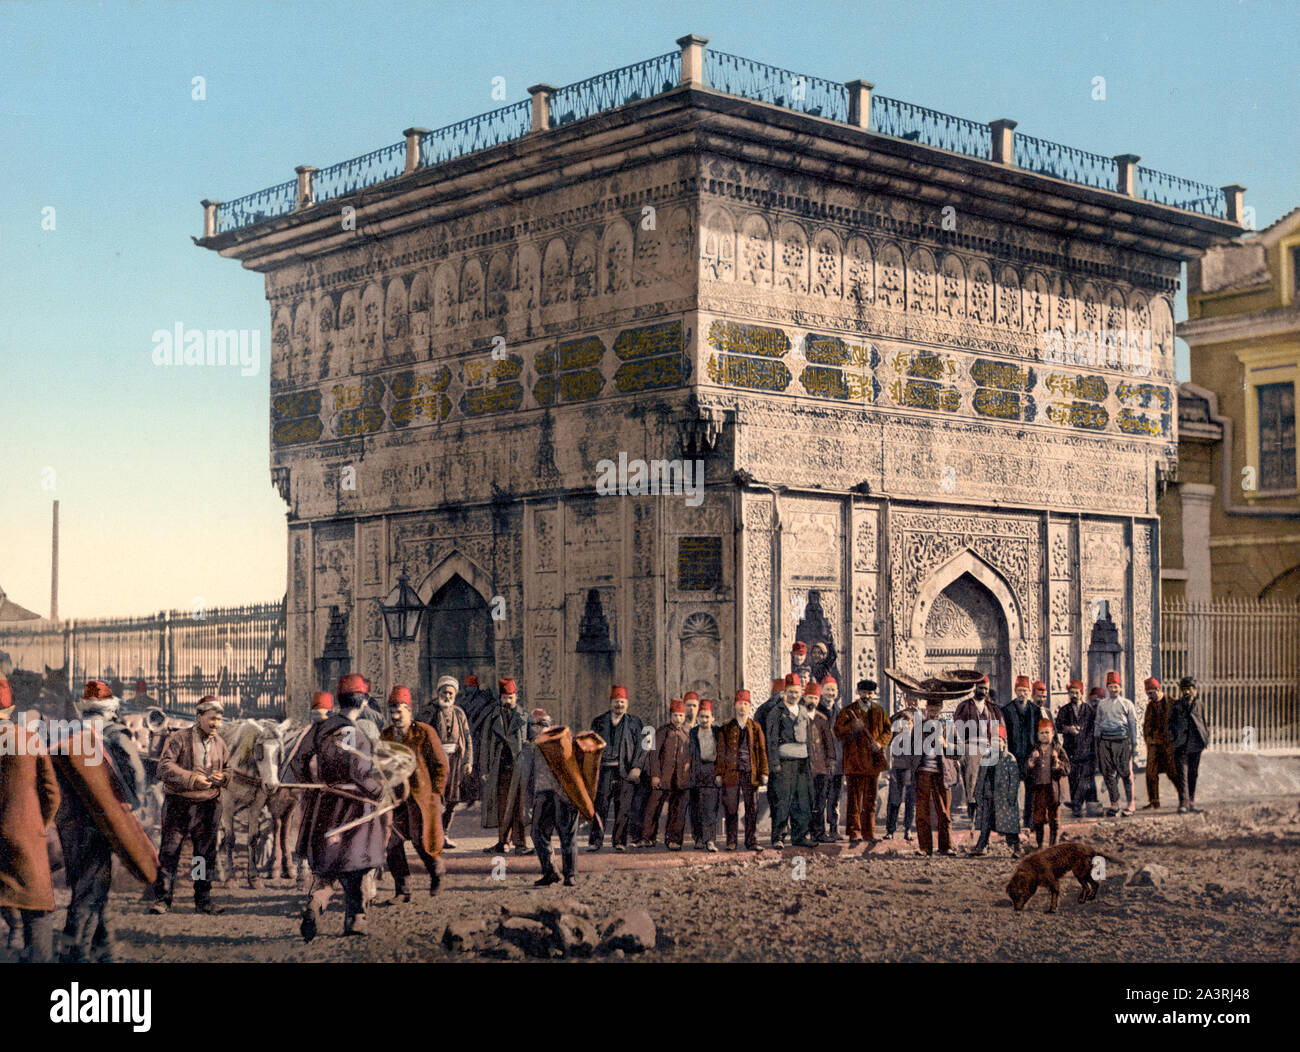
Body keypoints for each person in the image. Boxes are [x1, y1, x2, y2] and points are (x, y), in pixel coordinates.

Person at [287, 674, 387, 939]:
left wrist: (316, 783)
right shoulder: (357, 736)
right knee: (355, 869)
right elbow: (360, 775)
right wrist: (380, 792)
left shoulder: (320, 728)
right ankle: (355, 922)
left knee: (326, 871)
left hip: (325, 805)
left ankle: (314, 905)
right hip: (354, 808)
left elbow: (297, 761)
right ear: (363, 702)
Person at [55, 681, 146, 961]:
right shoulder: (116, 736)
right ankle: (75, 952)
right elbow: (137, 773)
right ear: (111, 708)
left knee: (84, 885)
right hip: (103, 823)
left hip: (69, 823)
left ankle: (100, 948)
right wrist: (135, 805)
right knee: (93, 888)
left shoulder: (65, 737)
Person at [0, 678, 60, 962]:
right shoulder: (30, 739)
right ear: (10, 709)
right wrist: (38, 825)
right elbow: (52, 794)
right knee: (37, 910)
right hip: (24, 836)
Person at [152, 696, 228, 916]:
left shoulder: (220, 743)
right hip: (179, 804)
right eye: (212, 719)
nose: (216, 724)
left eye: (219, 719)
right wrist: (192, 779)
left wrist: (222, 778)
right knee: (169, 851)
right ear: (199, 717)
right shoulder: (179, 739)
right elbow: (164, 768)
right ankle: (163, 899)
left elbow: (230, 770)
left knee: (202, 856)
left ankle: (202, 900)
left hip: (208, 806)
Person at [380, 687, 447, 902]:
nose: (396, 716)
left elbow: (441, 765)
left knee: (422, 841)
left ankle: (437, 874)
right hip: (396, 800)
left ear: (410, 711)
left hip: (422, 799)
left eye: (400, 711)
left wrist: (435, 793)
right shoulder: (387, 735)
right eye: (393, 712)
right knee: (391, 842)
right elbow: (381, 765)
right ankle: (403, 890)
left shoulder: (424, 732)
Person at [833, 678, 892, 848]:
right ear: (858, 692)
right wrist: (853, 726)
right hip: (854, 761)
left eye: (870, 693)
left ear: (874, 694)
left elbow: (888, 730)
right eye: (864, 692)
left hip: (873, 762)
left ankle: (869, 832)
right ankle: (854, 832)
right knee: (854, 799)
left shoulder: (880, 711)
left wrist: (880, 743)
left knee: (870, 799)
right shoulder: (848, 711)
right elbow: (838, 731)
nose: (867, 695)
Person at [524, 709, 579, 886]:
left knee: (567, 835)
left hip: (564, 795)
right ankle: (550, 872)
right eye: (535, 725)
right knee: (538, 832)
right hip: (543, 793)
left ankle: (570, 874)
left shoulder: (561, 740)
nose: (538, 728)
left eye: (543, 724)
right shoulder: (532, 746)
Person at [589, 686, 646, 853]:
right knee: (600, 806)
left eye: (622, 702)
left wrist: (636, 767)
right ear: (611, 703)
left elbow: (643, 748)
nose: (619, 705)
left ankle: (619, 841)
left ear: (627, 704)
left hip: (626, 771)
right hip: (604, 771)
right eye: (616, 702)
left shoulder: (635, 723)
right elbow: (590, 745)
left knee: (623, 808)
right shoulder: (598, 722)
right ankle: (595, 841)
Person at [765, 674, 815, 848]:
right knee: (782, 800)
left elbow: (808, 737)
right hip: (784, 761)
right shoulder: (776, 712)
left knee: (802, 800)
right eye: (790, 692)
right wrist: (775, 764)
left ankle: (800, 836)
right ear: (784, 692)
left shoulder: (803, 711)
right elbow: (771, 740)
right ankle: (778, 836)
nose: (794, 695)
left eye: (797, 692)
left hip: (802, 761)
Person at [480, 678, 529, 855]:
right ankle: (503, 842)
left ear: (516, 697)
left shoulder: (525, 717)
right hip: (500, 769)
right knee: (501, 807)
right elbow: (485, 745)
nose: (507, 701)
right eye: (504, 698)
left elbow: (530, 743)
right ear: (500, 698)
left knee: (519, 806)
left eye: (510, 698)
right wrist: (485, 770)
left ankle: (521, 844)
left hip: (520, 769)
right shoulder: (492, 718)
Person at [716, 690, 767, 851]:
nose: (742, 708)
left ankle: (751, 840)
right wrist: (719, 773)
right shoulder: (726, 728)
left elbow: (761, 751)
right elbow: (721, 753)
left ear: (750, 706)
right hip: (731, 773)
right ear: (735, 706)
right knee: (731, 807)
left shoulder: (756, 728)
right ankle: (731, 841)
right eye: (739, 704)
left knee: (752, 807)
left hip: (750, 772)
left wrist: (764, 772)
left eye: (745, 704)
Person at [426, 678, 473, 847]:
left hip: (455, 763)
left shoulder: (459, 713)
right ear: (438, 693)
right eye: (444, 692)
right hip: (435, 763)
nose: (447, 696)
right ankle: (434, 836)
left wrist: (468, 761)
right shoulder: (430, 712)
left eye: (450, 693)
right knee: (436, 800)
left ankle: (444, 834)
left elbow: (467, 738)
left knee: (452, 800)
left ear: (455, 695)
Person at [640, 699, 691, 850]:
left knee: (677, 810)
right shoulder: (662, 732)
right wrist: (655, 775)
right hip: (662, 778)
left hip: (679, 779)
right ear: (670, 716)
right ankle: (647, 838)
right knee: (653, 808)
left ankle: (673, 839)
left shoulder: (686, 735)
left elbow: (689, 757)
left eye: (681, 716)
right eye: (675, 715)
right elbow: (653, 755)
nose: (678, 719)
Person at [953, 675, 1002, 821]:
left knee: (987, 781)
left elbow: (998, 728)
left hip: (987, 747)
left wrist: (999, 741)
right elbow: (957, 728)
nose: (984, 691)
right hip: (970, 747)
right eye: (981, 688)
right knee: (972, 782)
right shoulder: (965, 706)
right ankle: (972, 812)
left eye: (986, 689)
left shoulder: (991, 708)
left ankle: (986, 815)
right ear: (975, 688)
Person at [914, 697, 959, 857]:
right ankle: (925, 848)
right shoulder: (919, 726)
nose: (933, 711)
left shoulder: (948, 726)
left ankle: (945, 847)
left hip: (942, 773)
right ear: (926, 708)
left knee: (944, 811)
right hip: (923, 772)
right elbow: (910, 750)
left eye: (936, 708)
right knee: (922, 811)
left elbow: (959, 752)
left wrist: (946, 744)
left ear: (941, 708)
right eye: (930, 708)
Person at [970, 724, 1022, 857]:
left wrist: (1012, 796)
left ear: (1004, 743)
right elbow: (981, 777)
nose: (996, 743)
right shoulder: (986, 758)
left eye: (998, 740)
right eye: (993, 741)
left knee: (1009, 825)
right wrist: (977, 792)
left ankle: (1017, 848)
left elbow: (1014, 780)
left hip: (1004, 797)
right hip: (988, 795)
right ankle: (981, 846)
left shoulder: (1009, 759)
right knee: (985, 823)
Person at [1094, 670, 1139, 817]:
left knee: (1126, 773)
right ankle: (1114, 804)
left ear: (1120, 688)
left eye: (1116, 687)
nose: (1113, 690)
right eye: (1111, 687)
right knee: (1108, 774)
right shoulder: (1102, 704)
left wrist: (1135, 743)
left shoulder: (1127, 704)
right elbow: (1098, 723)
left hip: (1122, 741)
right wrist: (1097, 740)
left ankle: (1131, 804)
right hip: (1105, 741)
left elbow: (1133, 724)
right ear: (1107, 688)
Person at [1001, 675, 1042, 828]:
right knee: (1012, 789)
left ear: (1029, 692)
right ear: (1015, 691)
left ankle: (1028, 822)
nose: (1022, 694)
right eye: (1019, 690)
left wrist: (1036, 750)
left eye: (1025, 691)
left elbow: (1040, 732)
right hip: (1013, 755)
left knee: (1030, 790)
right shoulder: (1007, 710)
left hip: (1030, 755)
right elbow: (1003, 733)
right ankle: (1012, 821)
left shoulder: (1035, 710)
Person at [1026, 718, 1070, 848]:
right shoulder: (1035, 750)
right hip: (1039, 788)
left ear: (1053, 734)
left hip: (1053, 789)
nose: (1045, 736)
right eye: (1042, 733)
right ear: (1038, 736)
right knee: (1038, 817)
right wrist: (1030, 764)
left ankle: (1053, 845)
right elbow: (1027, 770)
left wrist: (1058, 765)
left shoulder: (1058, 749)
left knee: (1053, 817)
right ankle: (1040, 845)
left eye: (1047, 732)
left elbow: (1067, 768)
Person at [1169, 676, 1210, 814]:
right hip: (1181, 745)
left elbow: (1204, 722)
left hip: (1196, 744)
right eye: (1185, 689)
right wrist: (1173, 739)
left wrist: (1205, 737)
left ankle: (1191, 803)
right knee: (1182, 775)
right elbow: (1170, 724)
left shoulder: (1200, 704)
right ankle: (1183, 803)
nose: (1188, 692)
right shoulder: (1177, 705)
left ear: (1195, 690)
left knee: (1193, 774)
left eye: (1190, 688)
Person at [803, 682, 836, 843]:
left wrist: (830, 763)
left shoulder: (822, 719)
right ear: (804, 698)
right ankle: (806, 833)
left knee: (820, 802)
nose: (813, 701)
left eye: (815, 698)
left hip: (821, 768)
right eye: (810, 697)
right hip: (804, 768)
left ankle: (820, 833)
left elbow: (829, 744)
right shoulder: (800, 718)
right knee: (805, 802)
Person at [688, 700, 721, 851]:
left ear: (712, 718)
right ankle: (698, 838)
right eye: (702, 717)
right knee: (695, 808)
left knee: (710, 808)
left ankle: (710, 840)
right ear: (698, 718)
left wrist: (719, 774)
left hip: (711, 771)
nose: (704, 720)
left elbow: (722, 755)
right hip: (696, 771)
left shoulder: (718, 733)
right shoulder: (692, 733)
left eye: (707, 717)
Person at [1141, 677, 1176, 811]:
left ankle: (1184, 798)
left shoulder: (1172, 703)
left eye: (1151, 693)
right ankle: (1154, 801)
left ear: (1158, 689)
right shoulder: (1150, 706)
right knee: (1150, 773)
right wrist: (1148, 740)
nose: (1149, 696)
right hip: (1154, 745)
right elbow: (1147, 725)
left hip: (1168, 746)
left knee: (1172, 773)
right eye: (1147, 693)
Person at [884, 703, 918, 842]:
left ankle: (908, 829)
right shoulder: (895, 736)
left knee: (910, 801)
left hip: (911, 770)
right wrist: (888, 767)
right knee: (894, 800)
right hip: (897, 769)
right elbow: (887, 749)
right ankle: (890, 830)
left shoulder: (916, 737)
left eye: (908, 723)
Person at [819, 677, 846, 841]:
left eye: (833, 690)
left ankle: (834, 829)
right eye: (828, 690)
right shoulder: (817, 711)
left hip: (838, 761)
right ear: (822, 691)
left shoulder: (840, 712)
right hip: (821, 762)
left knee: (835, 798)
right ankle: (820, 831)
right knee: (821, 797)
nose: (830, 693)